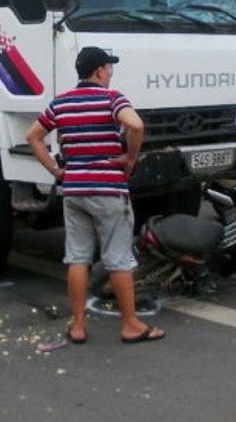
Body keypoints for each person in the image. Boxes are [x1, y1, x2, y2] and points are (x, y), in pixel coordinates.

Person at [25, 46, 165, 345]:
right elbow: (135, 124)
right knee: (118, 259)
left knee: (77, 258)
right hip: (108, 189)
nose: (110, 73)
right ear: (100, 71)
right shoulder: (112, 99)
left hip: (74, 189)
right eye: (108, 68)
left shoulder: (60, 103)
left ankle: (77, 325)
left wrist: (55, 170)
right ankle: (130, 324)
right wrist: (130, 157)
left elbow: (32, 136)